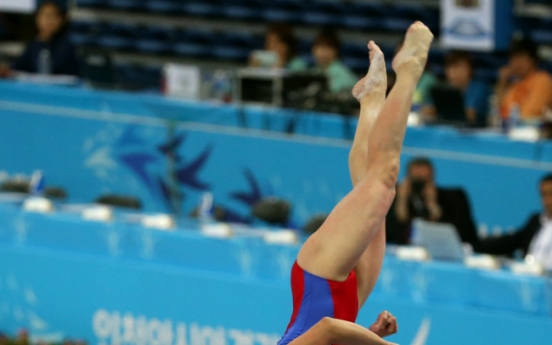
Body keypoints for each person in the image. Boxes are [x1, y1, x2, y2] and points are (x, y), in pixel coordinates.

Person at [277, 22, 433, 345]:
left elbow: (327, 329)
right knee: (370, 187)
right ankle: (372, 98)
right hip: (348, 301)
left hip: (317, 277)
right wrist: (372, 333)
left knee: (383, 184)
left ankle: (407, 72)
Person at [386, 157, 478, 246]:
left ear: (433, 178)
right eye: (416, 180)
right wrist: (401, 202)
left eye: (425, 180)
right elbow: (389, 235)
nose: (420, 186)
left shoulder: (453, 198)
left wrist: (433, 206)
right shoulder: (395, 197)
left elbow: (465, 235)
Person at [474, 174, 552, 270]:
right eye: (544, 194)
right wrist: (474, 247)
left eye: (551, 194)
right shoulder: (536, 220)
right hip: (527, 275)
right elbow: (511, 241)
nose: (548, 201)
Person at [0, 1, 79, 77]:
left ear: (62, 19)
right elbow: (19, 65)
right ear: (37, 17)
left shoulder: (67, 45)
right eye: (44, 15)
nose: (48, 21)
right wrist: (6, 68)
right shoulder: (34, 44)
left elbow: (55, 67)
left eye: (53, 16)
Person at [426, 51, 491, 127]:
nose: (455, 72)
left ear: (470, 70)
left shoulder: (479, 88)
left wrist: (439, 111)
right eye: (451, 67)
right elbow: (427, 110)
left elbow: (470, 114)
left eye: (460, 67)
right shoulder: (442, 87)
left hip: (473, 134)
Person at [497, 38, 552, 120]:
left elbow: (530, 114)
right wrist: (502, 81)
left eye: (520, 58)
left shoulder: (543, 80)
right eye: (513, 58)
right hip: (512, 129)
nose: (516, 63)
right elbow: (501, 113)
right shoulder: (515, 83)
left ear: (532, 59)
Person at [311, 28, 358, 93]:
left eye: (328, 47)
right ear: (313, 49)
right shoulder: (312, 72)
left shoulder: (345, 75)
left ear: (336, 51)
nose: (323, 51)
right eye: (320, 46)